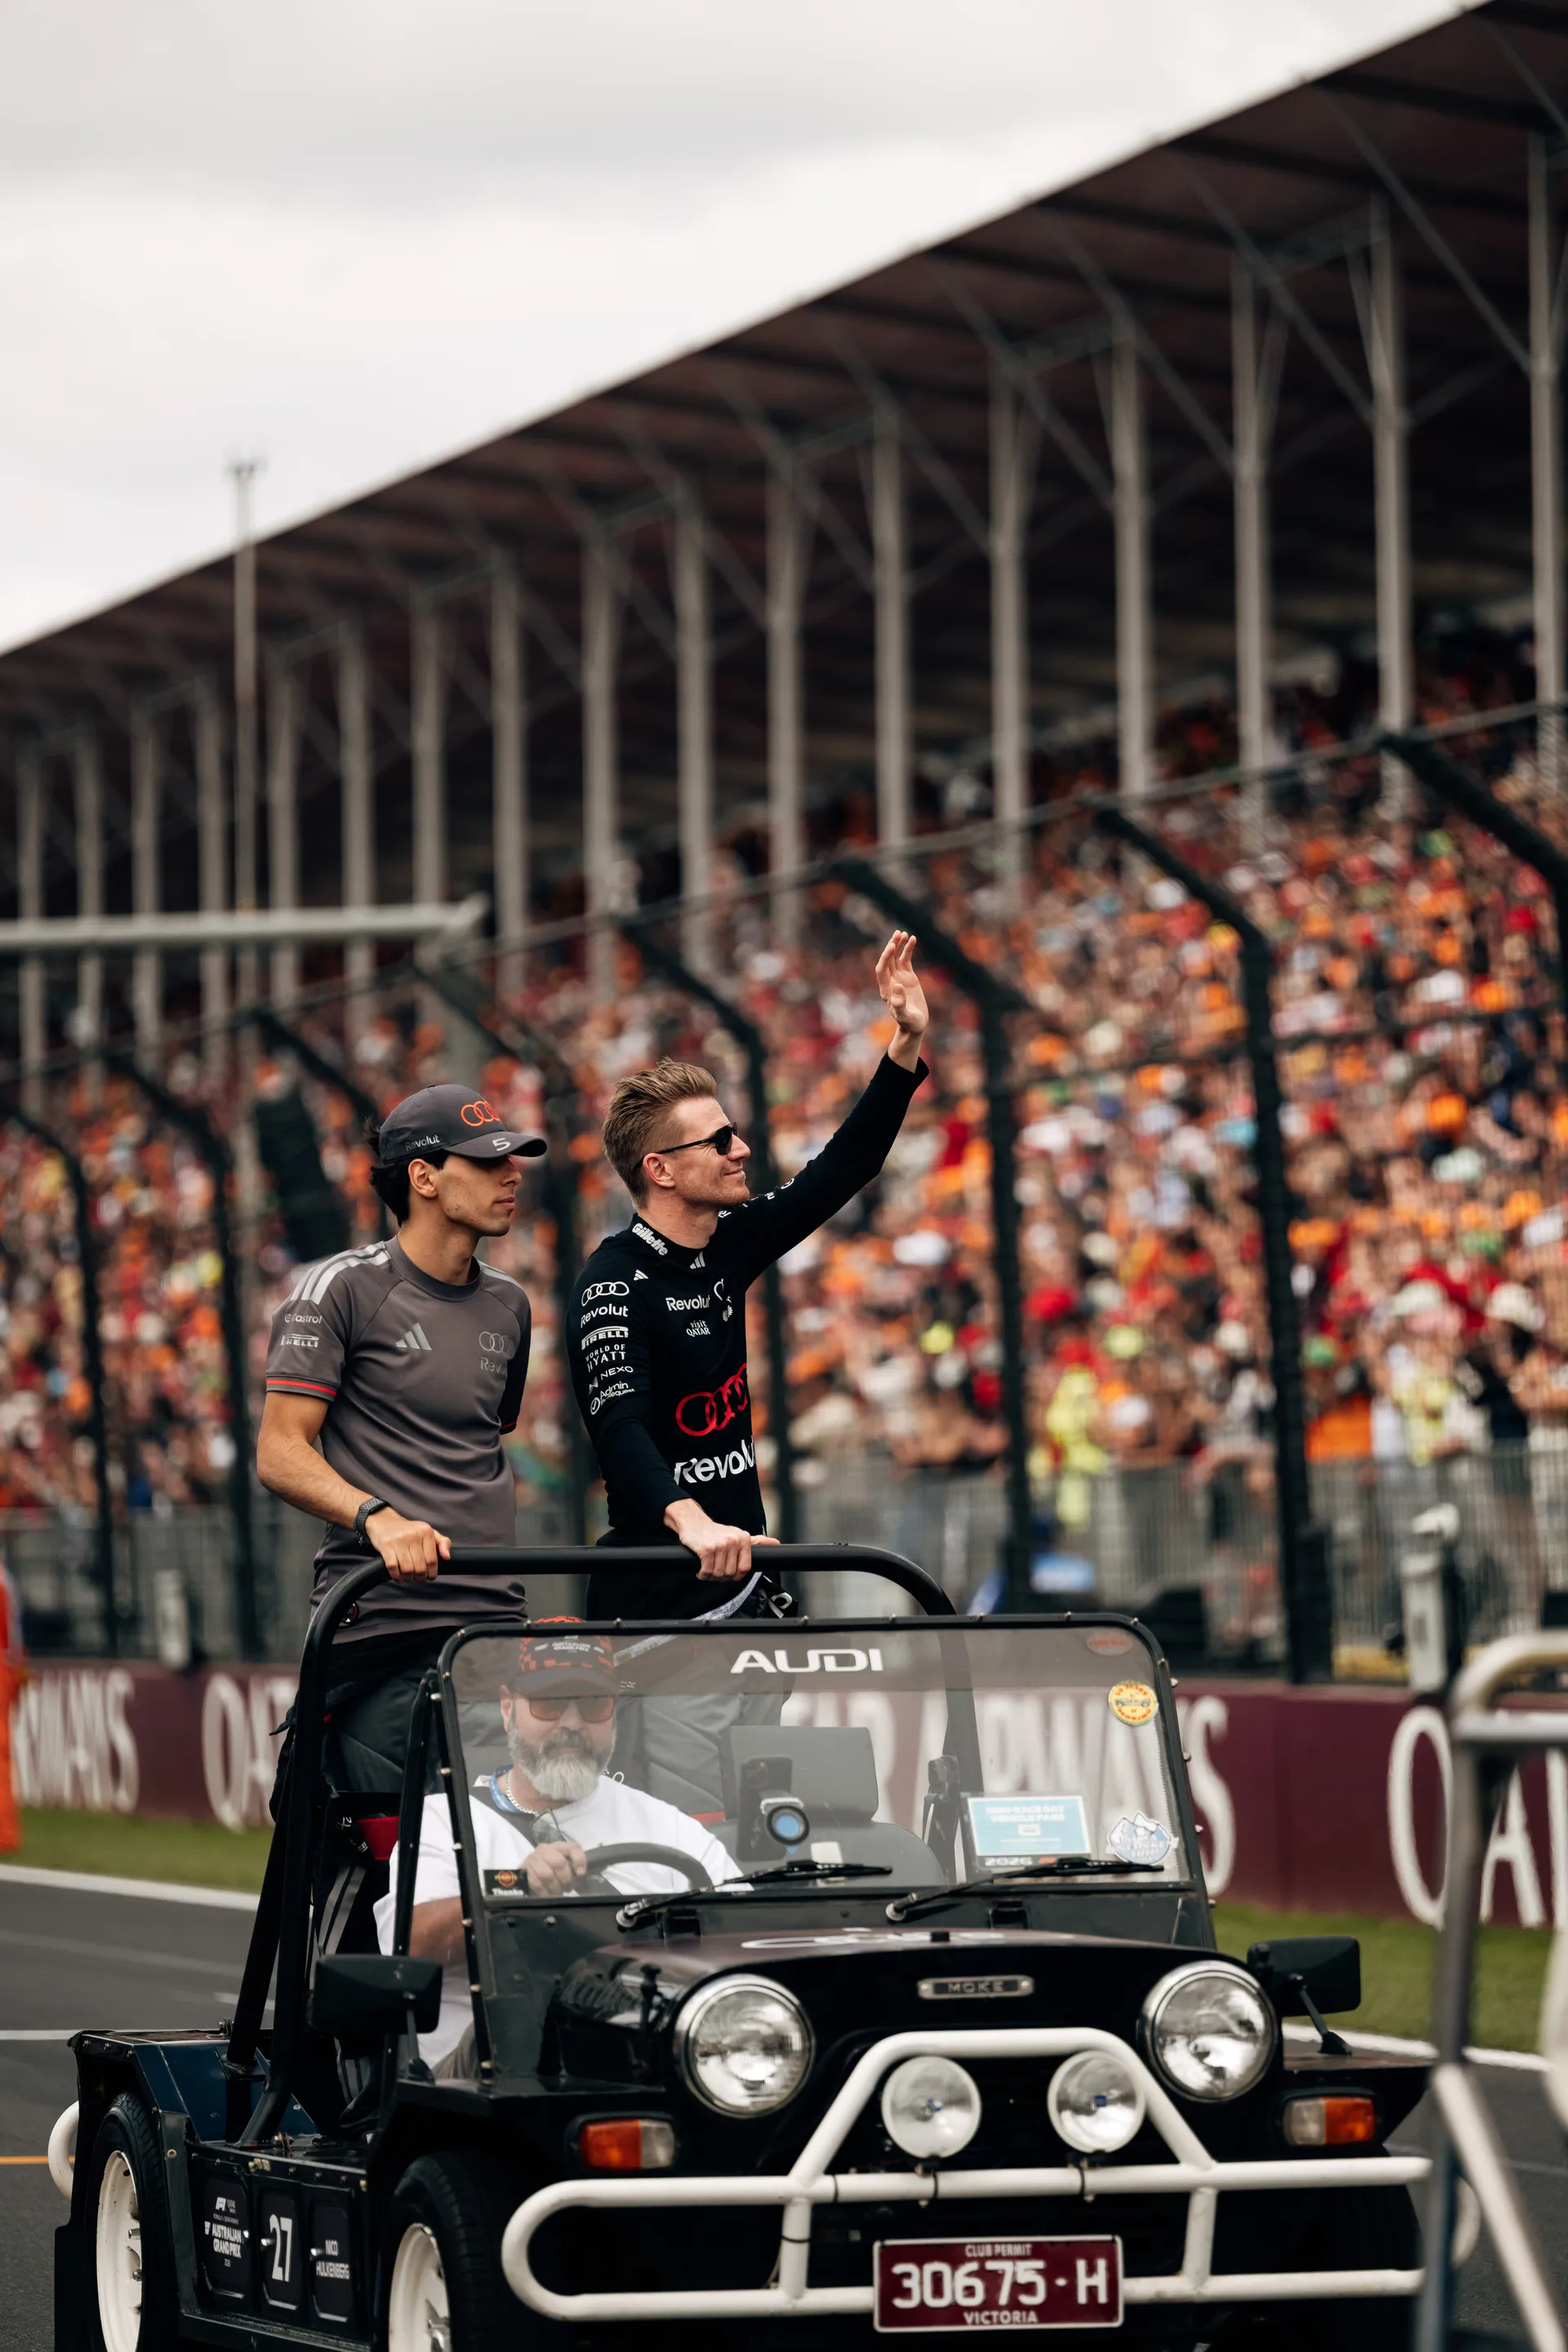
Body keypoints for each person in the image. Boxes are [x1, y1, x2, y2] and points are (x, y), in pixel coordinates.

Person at [568, 930, 929, 1624]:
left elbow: (842, 1169)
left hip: (743, 1589)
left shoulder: (727, 1242)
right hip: (660, 1603)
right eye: (718, 1141)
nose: (742, 1149)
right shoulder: (612, 1281)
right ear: (661, 1170)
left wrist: (904, 1044)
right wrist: (690, 1522)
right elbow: (620, 1431)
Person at [256, 1084, 546, 1792]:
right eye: (486, 1162)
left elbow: (479, 1442)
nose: (512, 1175)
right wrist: (376, 1517)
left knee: (520, 1868)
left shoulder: (511, 1302)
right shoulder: (340, 1288)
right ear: (423, 1177)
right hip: (385, 1628)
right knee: (392, 1871)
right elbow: (279, 1451)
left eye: (512, 1159)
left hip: (495, 1631)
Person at [374, 1624, 737, 2074]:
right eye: (548, 1703)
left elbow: (749, 1929)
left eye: (592, 1704)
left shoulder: (670, 1827)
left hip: (646, 2066)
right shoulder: (445, 1819)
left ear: (615, 1712)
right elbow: (407, 1946)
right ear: (508, 1709)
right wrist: (515, 1889)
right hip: (480, 2085)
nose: (571, 1723)